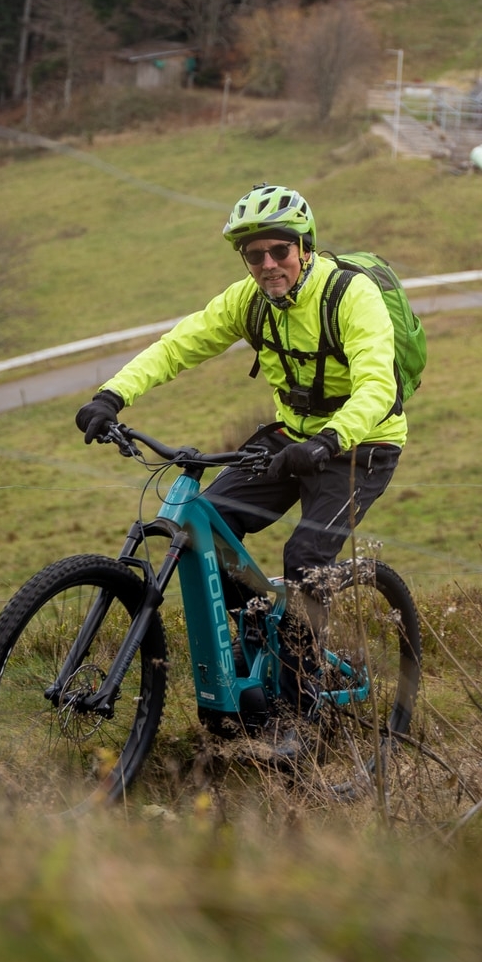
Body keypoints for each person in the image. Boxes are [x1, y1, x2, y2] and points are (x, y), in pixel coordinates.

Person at [73, 184, 405, 728]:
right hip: (290, 435)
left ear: (305, 247)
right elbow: (178, 345)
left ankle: (300, 710)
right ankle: (259, 627)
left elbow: (375, 385)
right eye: (255, 255)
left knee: (305, 559)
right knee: (208, 526)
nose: (268, 264)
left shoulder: (350, 295)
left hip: (362, 443)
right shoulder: (246, 302)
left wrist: (327, 441)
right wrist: (112, 395)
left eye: (280, 251)